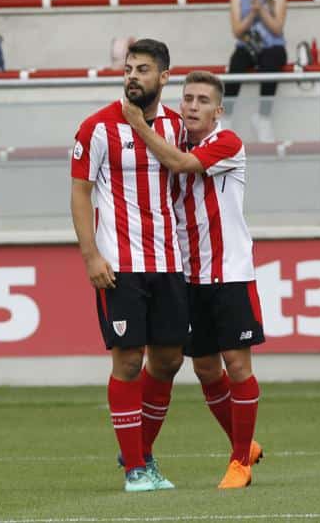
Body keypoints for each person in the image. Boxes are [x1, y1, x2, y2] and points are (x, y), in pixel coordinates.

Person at [122, 70, 265, 489]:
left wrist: (137, 124)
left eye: (203, 100)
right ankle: (242, 443)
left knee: (237, 365)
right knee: (204, 368)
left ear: (218, 109)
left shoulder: (227, 142)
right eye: (187, 99)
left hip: (230, 273)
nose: (193, 106)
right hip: (186, 274)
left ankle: (240, 462)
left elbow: (181, 164)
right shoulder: (170, 139)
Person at [70, 38, 189, 493]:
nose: (132, 76)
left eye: (142, 69)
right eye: (128, 69)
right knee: (127, 360)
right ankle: (136, 469)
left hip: (168, 260)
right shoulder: (97, 128)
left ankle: (139, 450)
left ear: (163, 77)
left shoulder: (177, 128)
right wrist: (90, 255)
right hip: (119, 263)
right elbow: (80, 191)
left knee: (169, 360)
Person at [224, 0, 287, 142]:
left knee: (271, 63)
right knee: (236, 64)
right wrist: (252, 13)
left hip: (272, 46)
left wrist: (262, 11)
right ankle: (226, 118)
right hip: (247, 46)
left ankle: (263, 118)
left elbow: (277, 29)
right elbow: (237, 31)